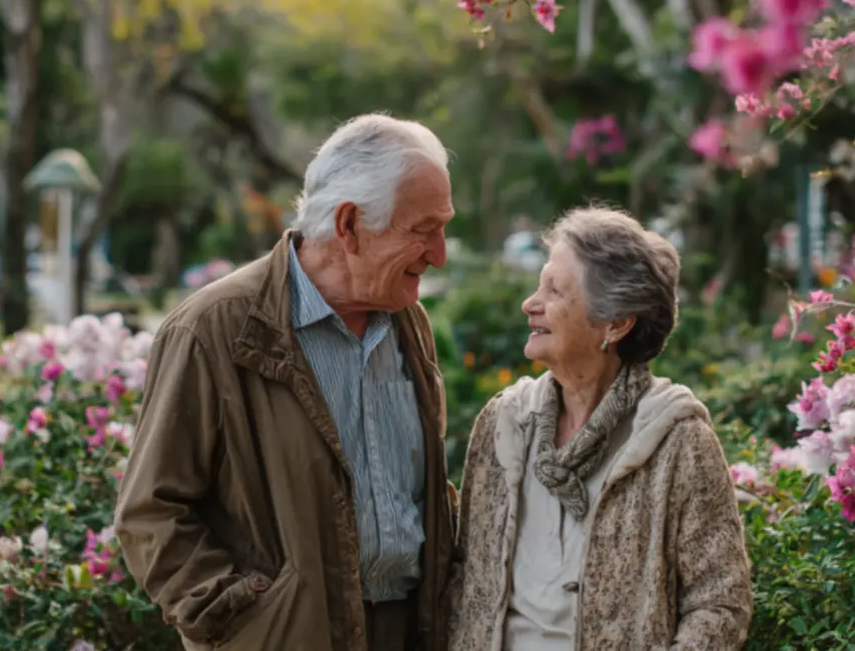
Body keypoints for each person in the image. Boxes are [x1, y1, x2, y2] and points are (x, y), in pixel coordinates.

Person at [116, 113, 458, 651]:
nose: (439, 254)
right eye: (422, 231)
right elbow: (151, 512)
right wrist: (243, 624)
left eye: (444, 228)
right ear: (348, 225)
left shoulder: (406, 321)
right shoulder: (215, 329)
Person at [446, 205, 752, 651]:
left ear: (615, 323)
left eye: (553, 290)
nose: (529, 304)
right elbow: (464, 577)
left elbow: (720, 603)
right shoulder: (504, 422)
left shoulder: (677, 439)